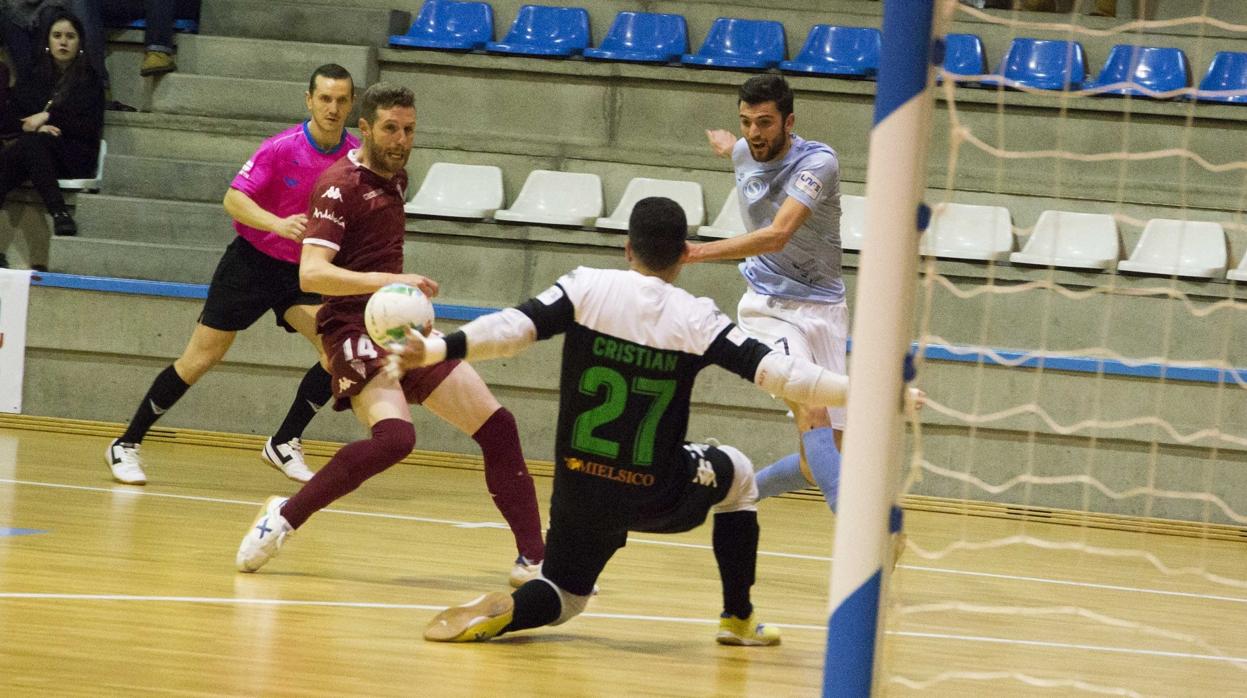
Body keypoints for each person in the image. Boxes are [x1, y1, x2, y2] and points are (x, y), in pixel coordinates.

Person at [407, 196, 881, 646]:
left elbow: (510, 329)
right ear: (684, 254)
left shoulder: (586, 287)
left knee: (567, 596)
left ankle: (513, 611)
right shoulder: (697, 318)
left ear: (628, 247)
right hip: (657, 492)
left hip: (578, 490)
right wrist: (867, 391)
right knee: (737, 471)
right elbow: (788, 376)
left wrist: (436, 348)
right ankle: (737, 618)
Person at [233, 82, 546, 586]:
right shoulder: (338, 186)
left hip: (398, 324)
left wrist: (400, 299)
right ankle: (284, 515)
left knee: (498, 426)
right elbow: (311, 275)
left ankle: (534, 559)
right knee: (396, 438)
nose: (401, 140)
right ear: (365, 129)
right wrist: (389, 282)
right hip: (350, 327)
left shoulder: (397, 178)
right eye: (390, 129)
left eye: (409, 130)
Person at [105, 64, 358, 486]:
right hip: (252, 263)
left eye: (341, 100)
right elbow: (233, 198)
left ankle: (284, 441)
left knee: (336, 352)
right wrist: (277, 224)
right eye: (325, 98)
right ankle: (126, 444)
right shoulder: (281, 148)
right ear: (309, 100)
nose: (332, 108)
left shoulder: (355, 155)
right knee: (201, 357)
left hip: (304, 273)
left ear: (351, 104)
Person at [0, 7, 101, 239]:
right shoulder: (34, 77)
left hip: (74, 155)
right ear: (47, 41)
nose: (63, 42)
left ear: (80, 43)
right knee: (29, 145)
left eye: (70, 36)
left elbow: (87, 128)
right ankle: (59, 214)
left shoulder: (90, 81)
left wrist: (48, 117)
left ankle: (59, 212)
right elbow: (11, 115)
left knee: (27, 146)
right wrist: (29, 126)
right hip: (36, 154)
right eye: (57, 36)